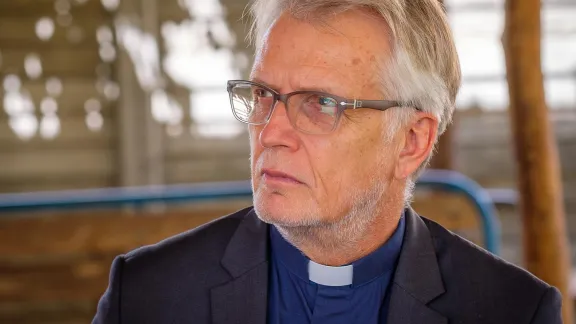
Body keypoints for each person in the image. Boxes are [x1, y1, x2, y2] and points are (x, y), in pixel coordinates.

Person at [93, 0, 563, 323]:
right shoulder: (148, 294)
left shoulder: (513, 310)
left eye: (320, 103)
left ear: (411, 142)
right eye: (263, 94)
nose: (270, 132)